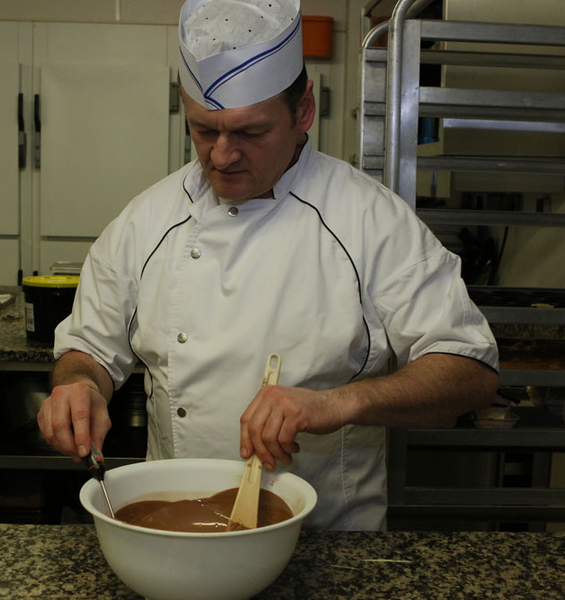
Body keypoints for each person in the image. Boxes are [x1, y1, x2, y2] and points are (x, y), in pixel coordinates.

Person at [37, 0, 499, 531]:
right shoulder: (146, 220)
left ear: (303, 111)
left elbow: (470, 371)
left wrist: (340, 404)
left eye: (251, 133)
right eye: (204, 131)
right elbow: (89, 349)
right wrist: (80, 385)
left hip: (328, 539)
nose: (222, 156)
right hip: (176, 536)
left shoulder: (370, 220)